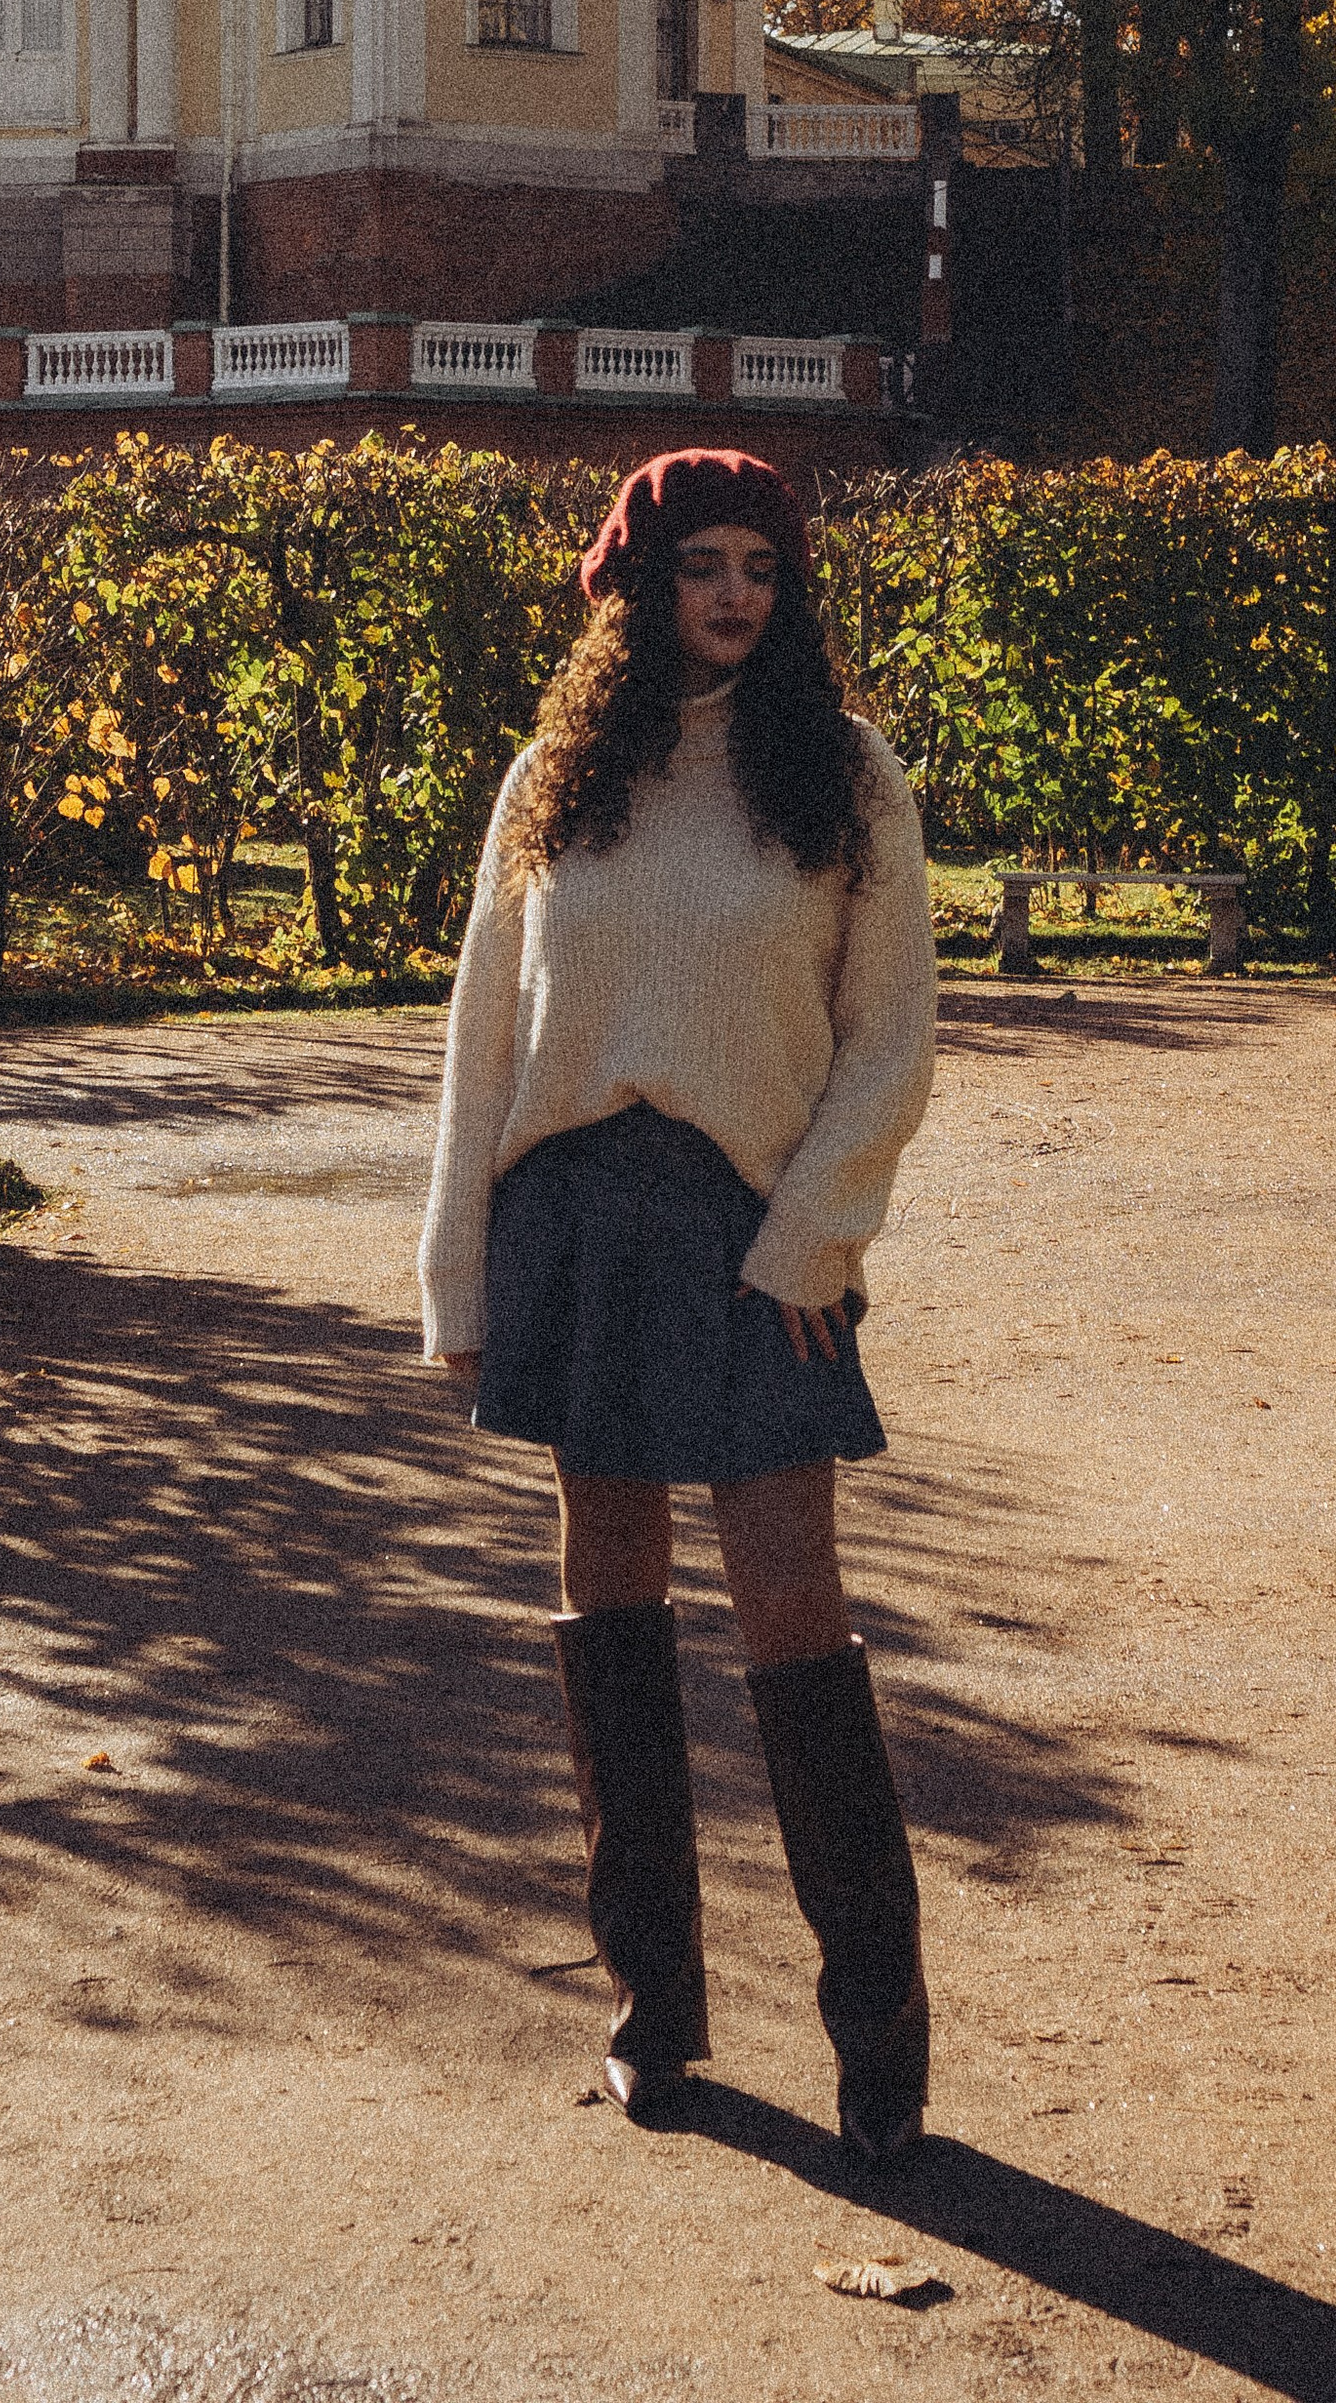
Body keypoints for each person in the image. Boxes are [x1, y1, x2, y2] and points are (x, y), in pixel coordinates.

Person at [419, 448, 940, 2158]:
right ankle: (654, 2004)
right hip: (574, 1217)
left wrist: (812, 1241)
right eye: (698, 565)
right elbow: (484, 1034)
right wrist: (458, 1269)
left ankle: (878, 2029)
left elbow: (891, 1042)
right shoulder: (558, 779)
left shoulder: (844, 778)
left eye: (761, 569)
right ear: (634, 588)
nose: (732, 595)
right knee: (611, 1611)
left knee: (794, 1606)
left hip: (757, 1239)